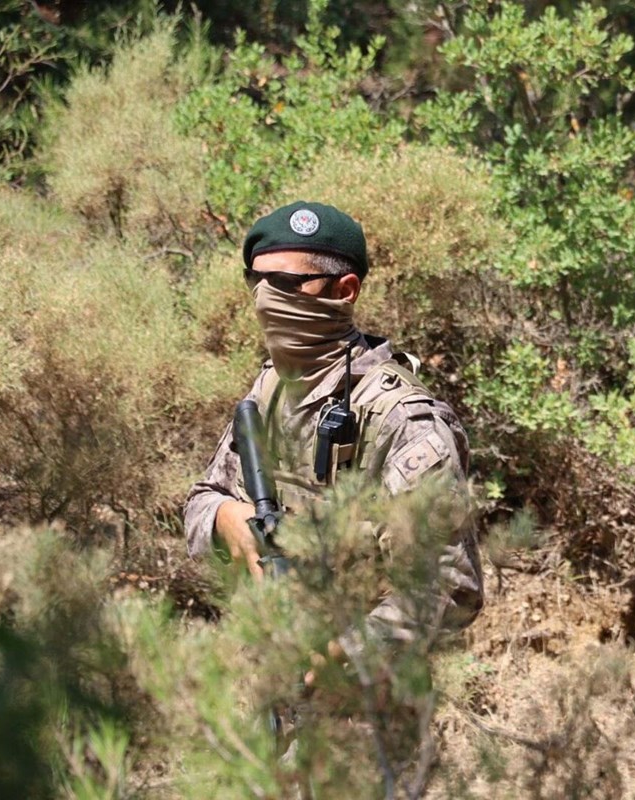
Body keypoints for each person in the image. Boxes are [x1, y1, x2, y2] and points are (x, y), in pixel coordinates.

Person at [185, 200, 483, 647]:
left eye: (285, 284)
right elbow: (202, 500)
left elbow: (450, 587)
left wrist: (346, 652)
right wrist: (227, 520)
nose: (265, 298)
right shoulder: (271, 391)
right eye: (256, 281)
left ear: (344, 290)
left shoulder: (403, 419)